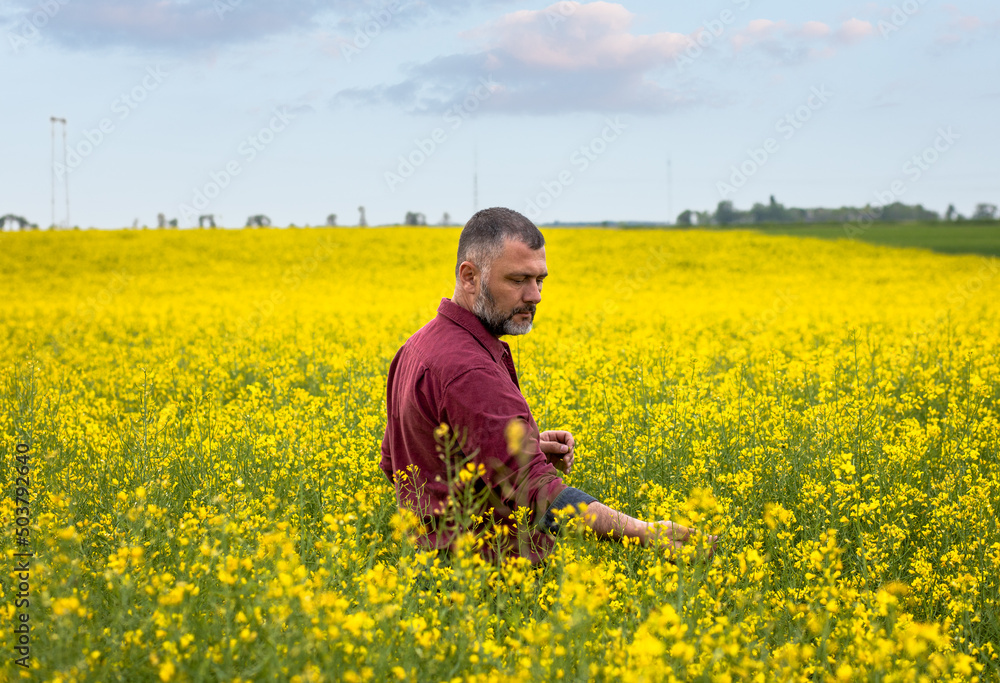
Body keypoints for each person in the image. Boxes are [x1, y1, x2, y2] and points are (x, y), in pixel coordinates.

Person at [379, 207, 715, 563]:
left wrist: (515, 446)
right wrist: (644, 532)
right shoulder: (469, 370)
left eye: (540, 280)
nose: (535, 295)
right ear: (469, 276)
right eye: (518, 280)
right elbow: (539, 494)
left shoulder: (417, 346)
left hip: (433, 576)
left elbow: (399, 462)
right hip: (488, 589)